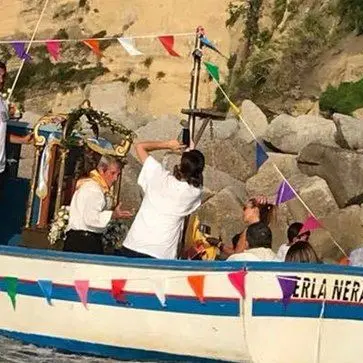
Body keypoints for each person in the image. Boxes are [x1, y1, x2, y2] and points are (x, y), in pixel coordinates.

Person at [119, 139, 204, 259]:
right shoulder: (192, 193)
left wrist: (168, 145)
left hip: (134, 243)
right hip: (161, 253)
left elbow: (140, 147)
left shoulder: (158, 175)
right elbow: (198, 180)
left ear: (180, 165)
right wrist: (190, 155)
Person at [63, 155, 132, 254]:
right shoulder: (94, 190)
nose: (115, 178)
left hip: (78, 240)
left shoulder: (89, 186)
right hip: (85, 243)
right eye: (112, 173)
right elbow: (90, 219)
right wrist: (113, 215)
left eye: (118, 174)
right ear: (101, 170)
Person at [0, 62, 33, 192]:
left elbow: (2, 133)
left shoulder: (2, 103)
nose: (1, 80)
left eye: (3, 76)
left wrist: (23, 140)